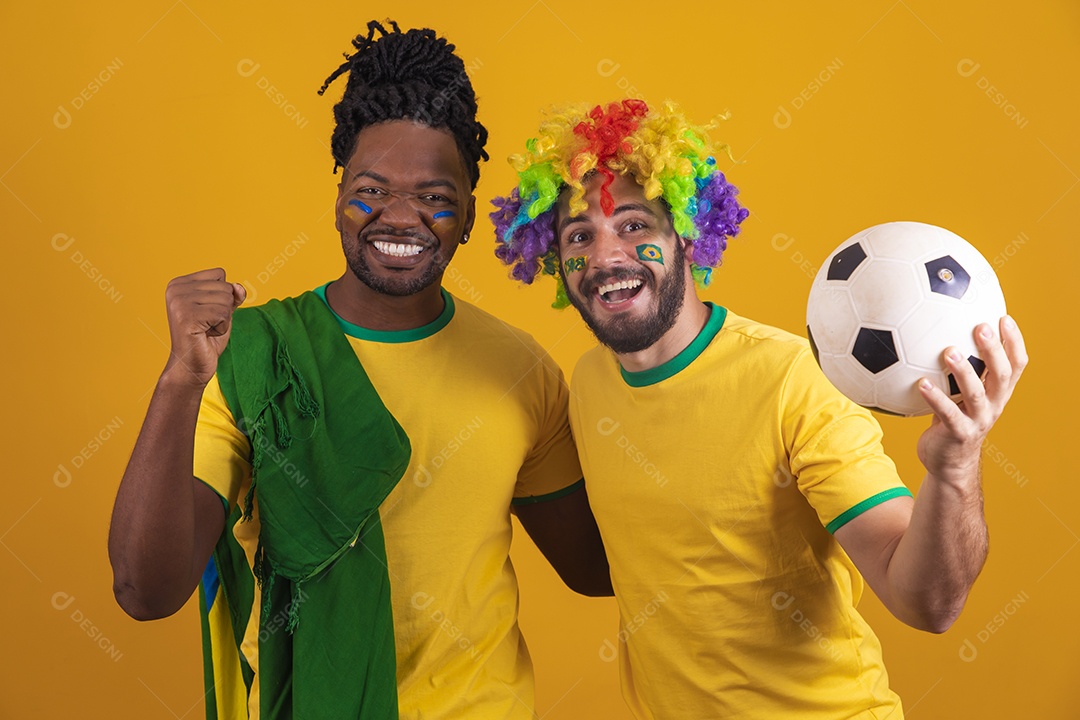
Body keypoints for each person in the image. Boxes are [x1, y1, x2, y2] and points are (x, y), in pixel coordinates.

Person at [108, 21, 610, 720]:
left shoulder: (519, 367)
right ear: (339, 194)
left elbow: (598, 569)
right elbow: (145, 590)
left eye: (436, 197)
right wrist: (179, 382)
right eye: (372, 189)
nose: (400, 217)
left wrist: (670, 380)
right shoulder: (250, 355)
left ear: (469, 215)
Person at [491, 98, 1027, 719]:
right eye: (580, 235)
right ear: (559, 263)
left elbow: (927, 603)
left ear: (687, 236)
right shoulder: (588, 383)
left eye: (634, 225)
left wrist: (955, 467)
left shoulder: (796, 380)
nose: (607, 255)